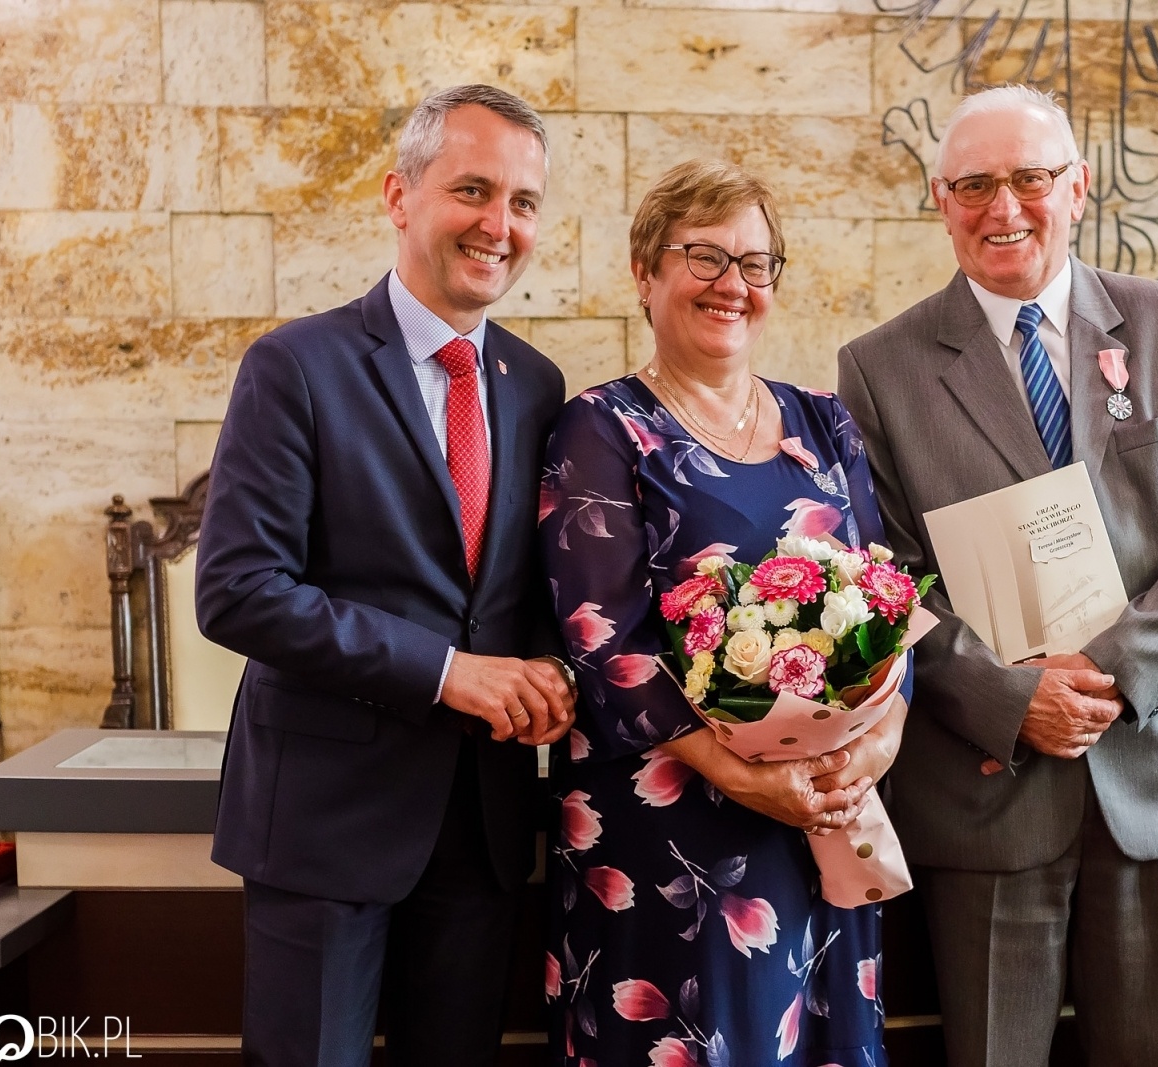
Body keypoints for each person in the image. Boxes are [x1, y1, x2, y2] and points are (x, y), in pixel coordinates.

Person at [838, 85, 1158, 1066]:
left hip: (1154, 764)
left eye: (1030, 178)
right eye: (974, 184)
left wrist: (1106, 671)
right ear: (939, 200)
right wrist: (1010, 695)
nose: (1005, 208)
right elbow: (886, 576)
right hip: (989, 780)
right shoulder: (878, 367)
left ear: (1077, 188)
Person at [196, 84, 575, 1067]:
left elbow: (517, 588)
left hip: (483, 822)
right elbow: (239, 588)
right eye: (473, 190)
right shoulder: (294, 365)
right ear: (399, 197)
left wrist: (561, 666)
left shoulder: (535, 384)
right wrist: (451, 671)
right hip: (325, 818)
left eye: (523, 202)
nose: (500, 224)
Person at [539, 159, 906, 1065]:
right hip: (670, 828)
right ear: (644, 273)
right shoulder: (603, 428)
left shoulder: (826, 425)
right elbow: (603, 640)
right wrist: (740, 773)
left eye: (755, 262)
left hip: (821, 821)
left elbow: (892, 602)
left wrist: (872, 747)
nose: (732, 285)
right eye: (703, 257)